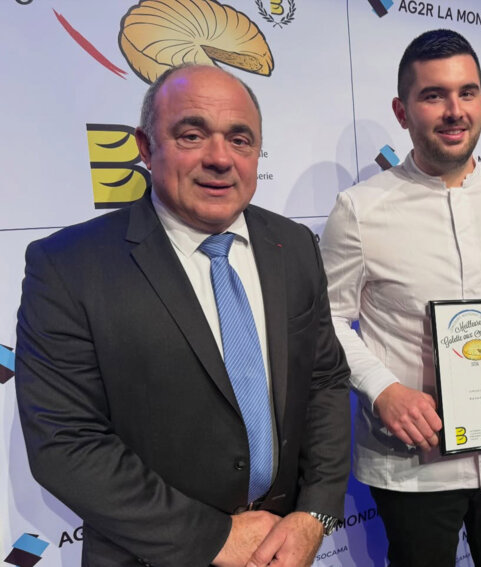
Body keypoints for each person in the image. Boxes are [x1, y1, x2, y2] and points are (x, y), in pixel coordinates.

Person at [15, 64, 350, 567]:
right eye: (192, 135)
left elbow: (324, 380)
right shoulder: (67, 266)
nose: (220, 158)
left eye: (240, 140)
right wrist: (212, 538)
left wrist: (315, 515)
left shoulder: (295, 245)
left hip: (283, 548)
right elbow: (66, 443)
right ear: (146, 148)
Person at [319, 29, 481, 567]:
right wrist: (383, 390)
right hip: (413, 465)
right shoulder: (359, 210)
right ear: (402, 111)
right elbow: (328, 320)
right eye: (434, 96)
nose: (455, 111)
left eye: (467, 93)